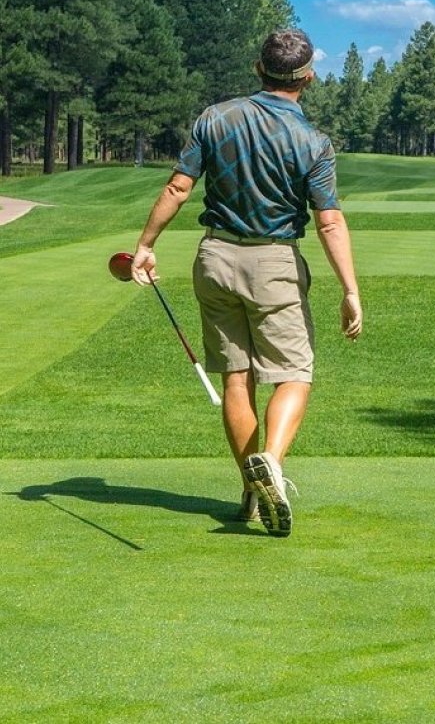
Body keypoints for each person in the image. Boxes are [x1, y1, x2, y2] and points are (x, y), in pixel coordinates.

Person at [131, 29, 362, 538]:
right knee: (294, 373)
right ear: (309, 76)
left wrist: (146, 244)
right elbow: (328, 221)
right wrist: (350, 290)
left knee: (238, 378)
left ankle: (252, 491)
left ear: (259, 69)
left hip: (214, 257)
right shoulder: (314, 142)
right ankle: (272, 466)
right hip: (273, 262)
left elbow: (178, 186)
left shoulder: (215, 118)